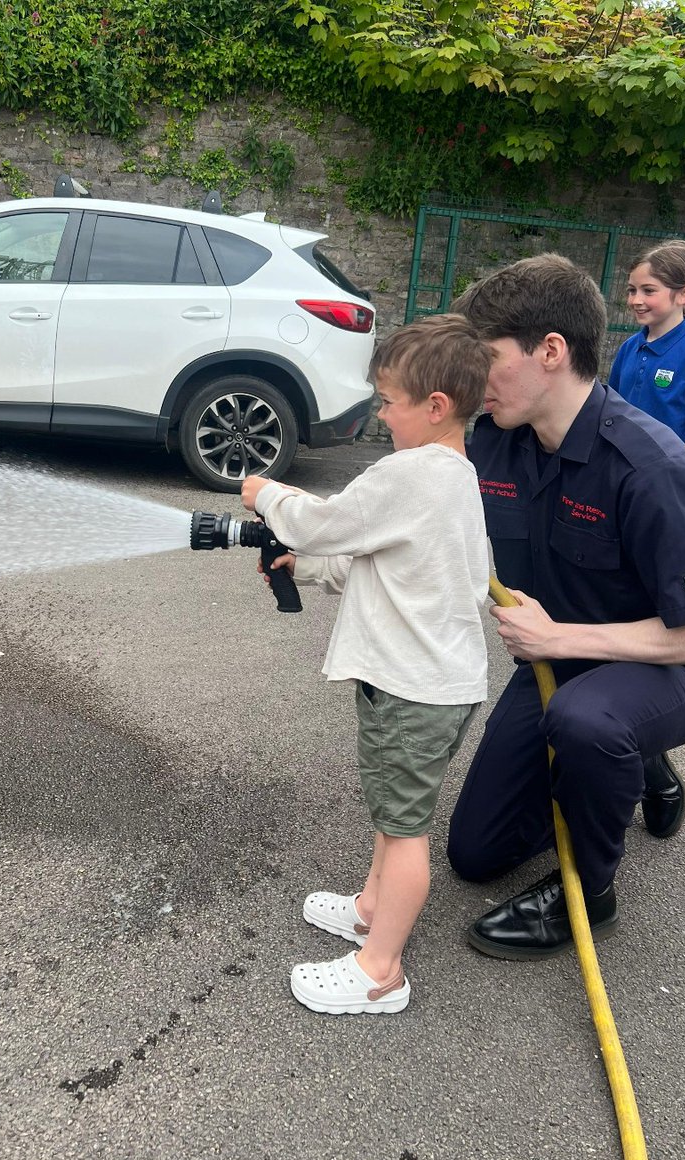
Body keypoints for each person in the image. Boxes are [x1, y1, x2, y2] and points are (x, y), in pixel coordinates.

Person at [447, 253, 685, 960]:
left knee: (586, 722)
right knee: (475, 853)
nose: (471, 381)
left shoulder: (652, 470)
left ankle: (595, 890)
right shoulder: (497, 439)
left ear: (551, 351)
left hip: (670, 671)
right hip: (560, 661)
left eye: (484, 359)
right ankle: (635, 765)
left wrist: (560, 637)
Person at [240, 314, 492, 1014]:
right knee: (393, 812)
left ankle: (380, 970)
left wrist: (270, 496)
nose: (381, 414)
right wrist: (311, 566)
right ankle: (370, 908)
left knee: (406, 831)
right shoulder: (454, 480)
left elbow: (324, 522)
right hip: (428, 687)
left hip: (412, 691)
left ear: (434, 406)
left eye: (388, 401)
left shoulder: (410, 472)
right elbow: (392, 569)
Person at [608, 239, 685, 460]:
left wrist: (674, 466)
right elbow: (611, 410)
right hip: (622, 472)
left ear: (684, 294)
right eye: (632, 290)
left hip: (670, 482)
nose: (636, 300)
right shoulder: (628, 348)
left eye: (648, 290)